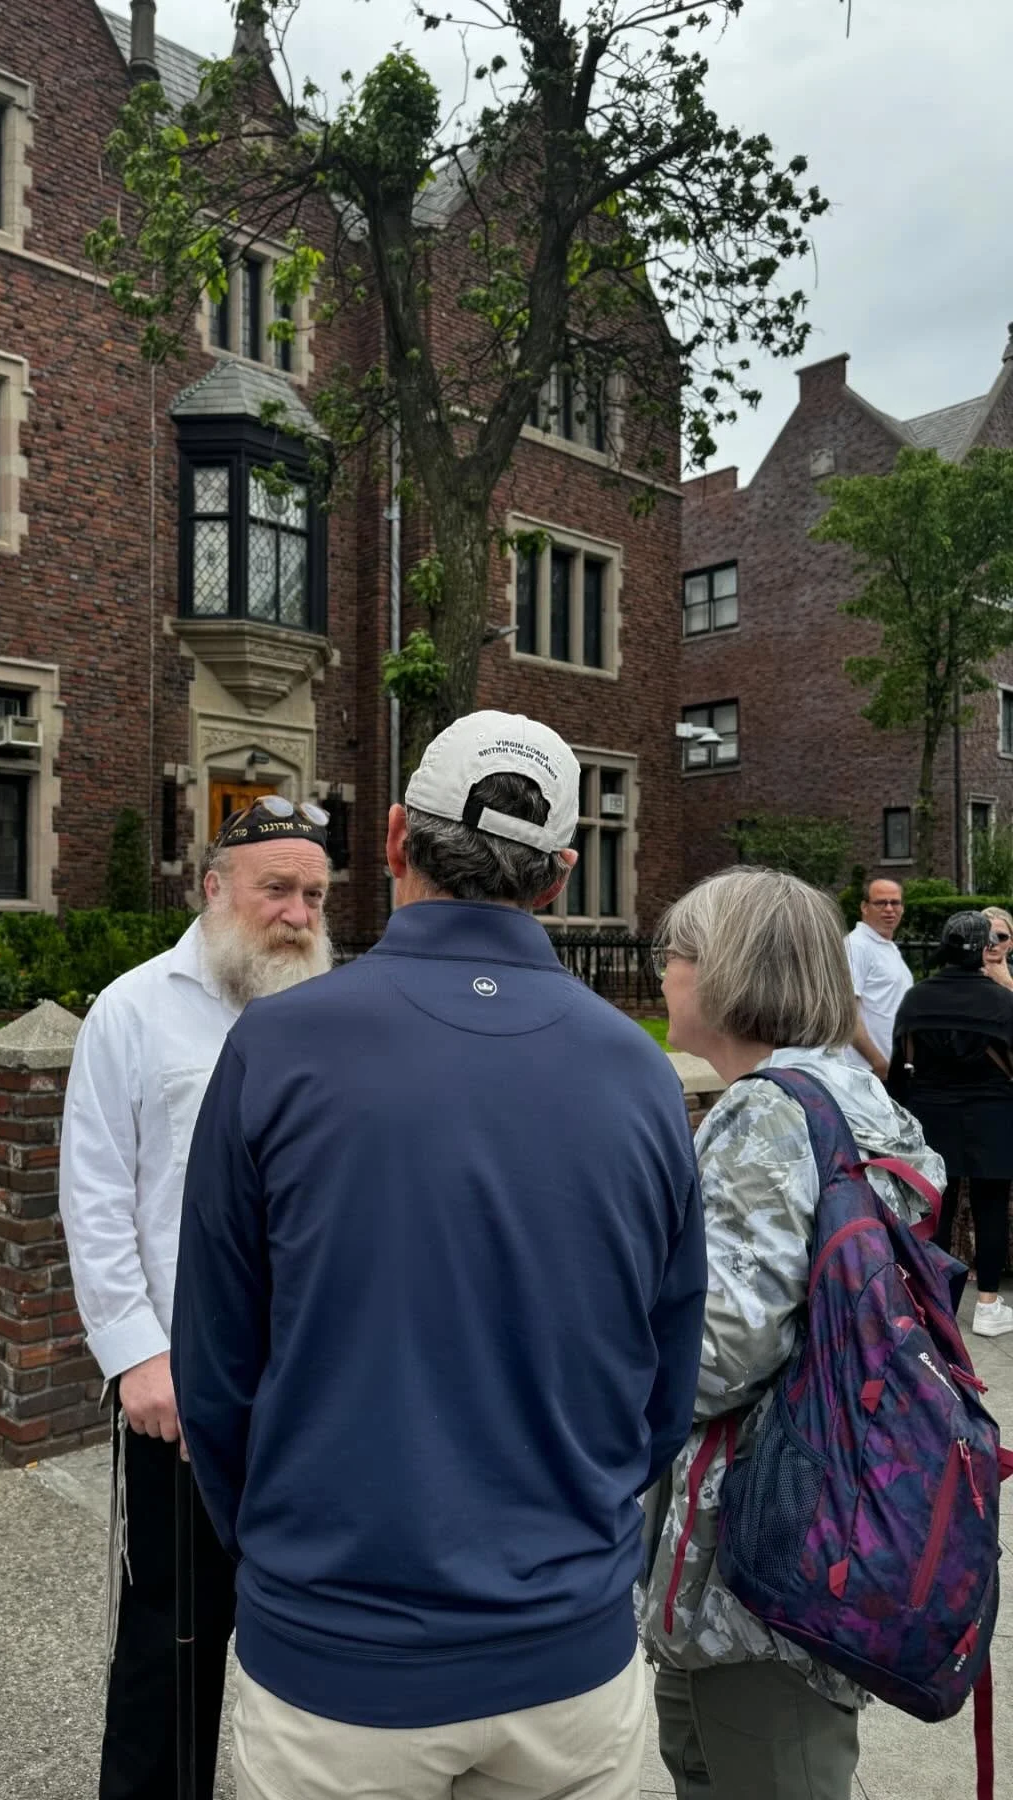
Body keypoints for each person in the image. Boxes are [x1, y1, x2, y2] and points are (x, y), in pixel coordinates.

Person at [173, 711, 706, 1800]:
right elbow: (665, 1379)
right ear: (559, 877)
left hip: (337, 1654)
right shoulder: (641, 1073)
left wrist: (280, 1561)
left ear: (395, 839)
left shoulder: (277, 1049)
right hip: (571, 1658)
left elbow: (216, 1368)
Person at [643, 867, 944, 1800]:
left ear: (727, 972)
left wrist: (591, 1388)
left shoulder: (768, 1112)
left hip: (766, 1533)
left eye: (676, 953)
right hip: (828, 1507)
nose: (662, 973)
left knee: (771, 1766)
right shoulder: (847, 1094)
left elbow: (725, 1344)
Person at [60, 796, 334, 1800]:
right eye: (277, 889)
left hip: (310, 1382)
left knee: (306, 1623)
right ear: (214, 887)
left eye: (313, 894)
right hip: (183, 1384)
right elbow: (93, 1194)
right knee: (170, 1633)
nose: (298, 913)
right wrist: (135, 1354)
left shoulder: (333, 1018)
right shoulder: (134, 1010)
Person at [889, 910, 1013, 1337]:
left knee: (935, 1212)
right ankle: (988, 1304)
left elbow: (898, 1070)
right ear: (983, 948)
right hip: (994, 1118)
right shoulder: (1003, 1002)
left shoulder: (916, 998)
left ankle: (934, 1302)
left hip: (931, 1116)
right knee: (990, 1208)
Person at [843, 877, 911, 1080]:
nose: (889, 909)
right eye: (881, 903)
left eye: (895, 902)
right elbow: (847, 1011)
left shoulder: (886, 947)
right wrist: (877, 1061)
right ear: (864, 907)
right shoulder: (856, 946)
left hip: (892, 1069)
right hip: (867, 1072)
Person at [981, 905, 1013, 992]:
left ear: (1011, 942)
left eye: (1001, 937)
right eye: (987, 936)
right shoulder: (961, 973)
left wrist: (1008, 983)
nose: (992, 943)